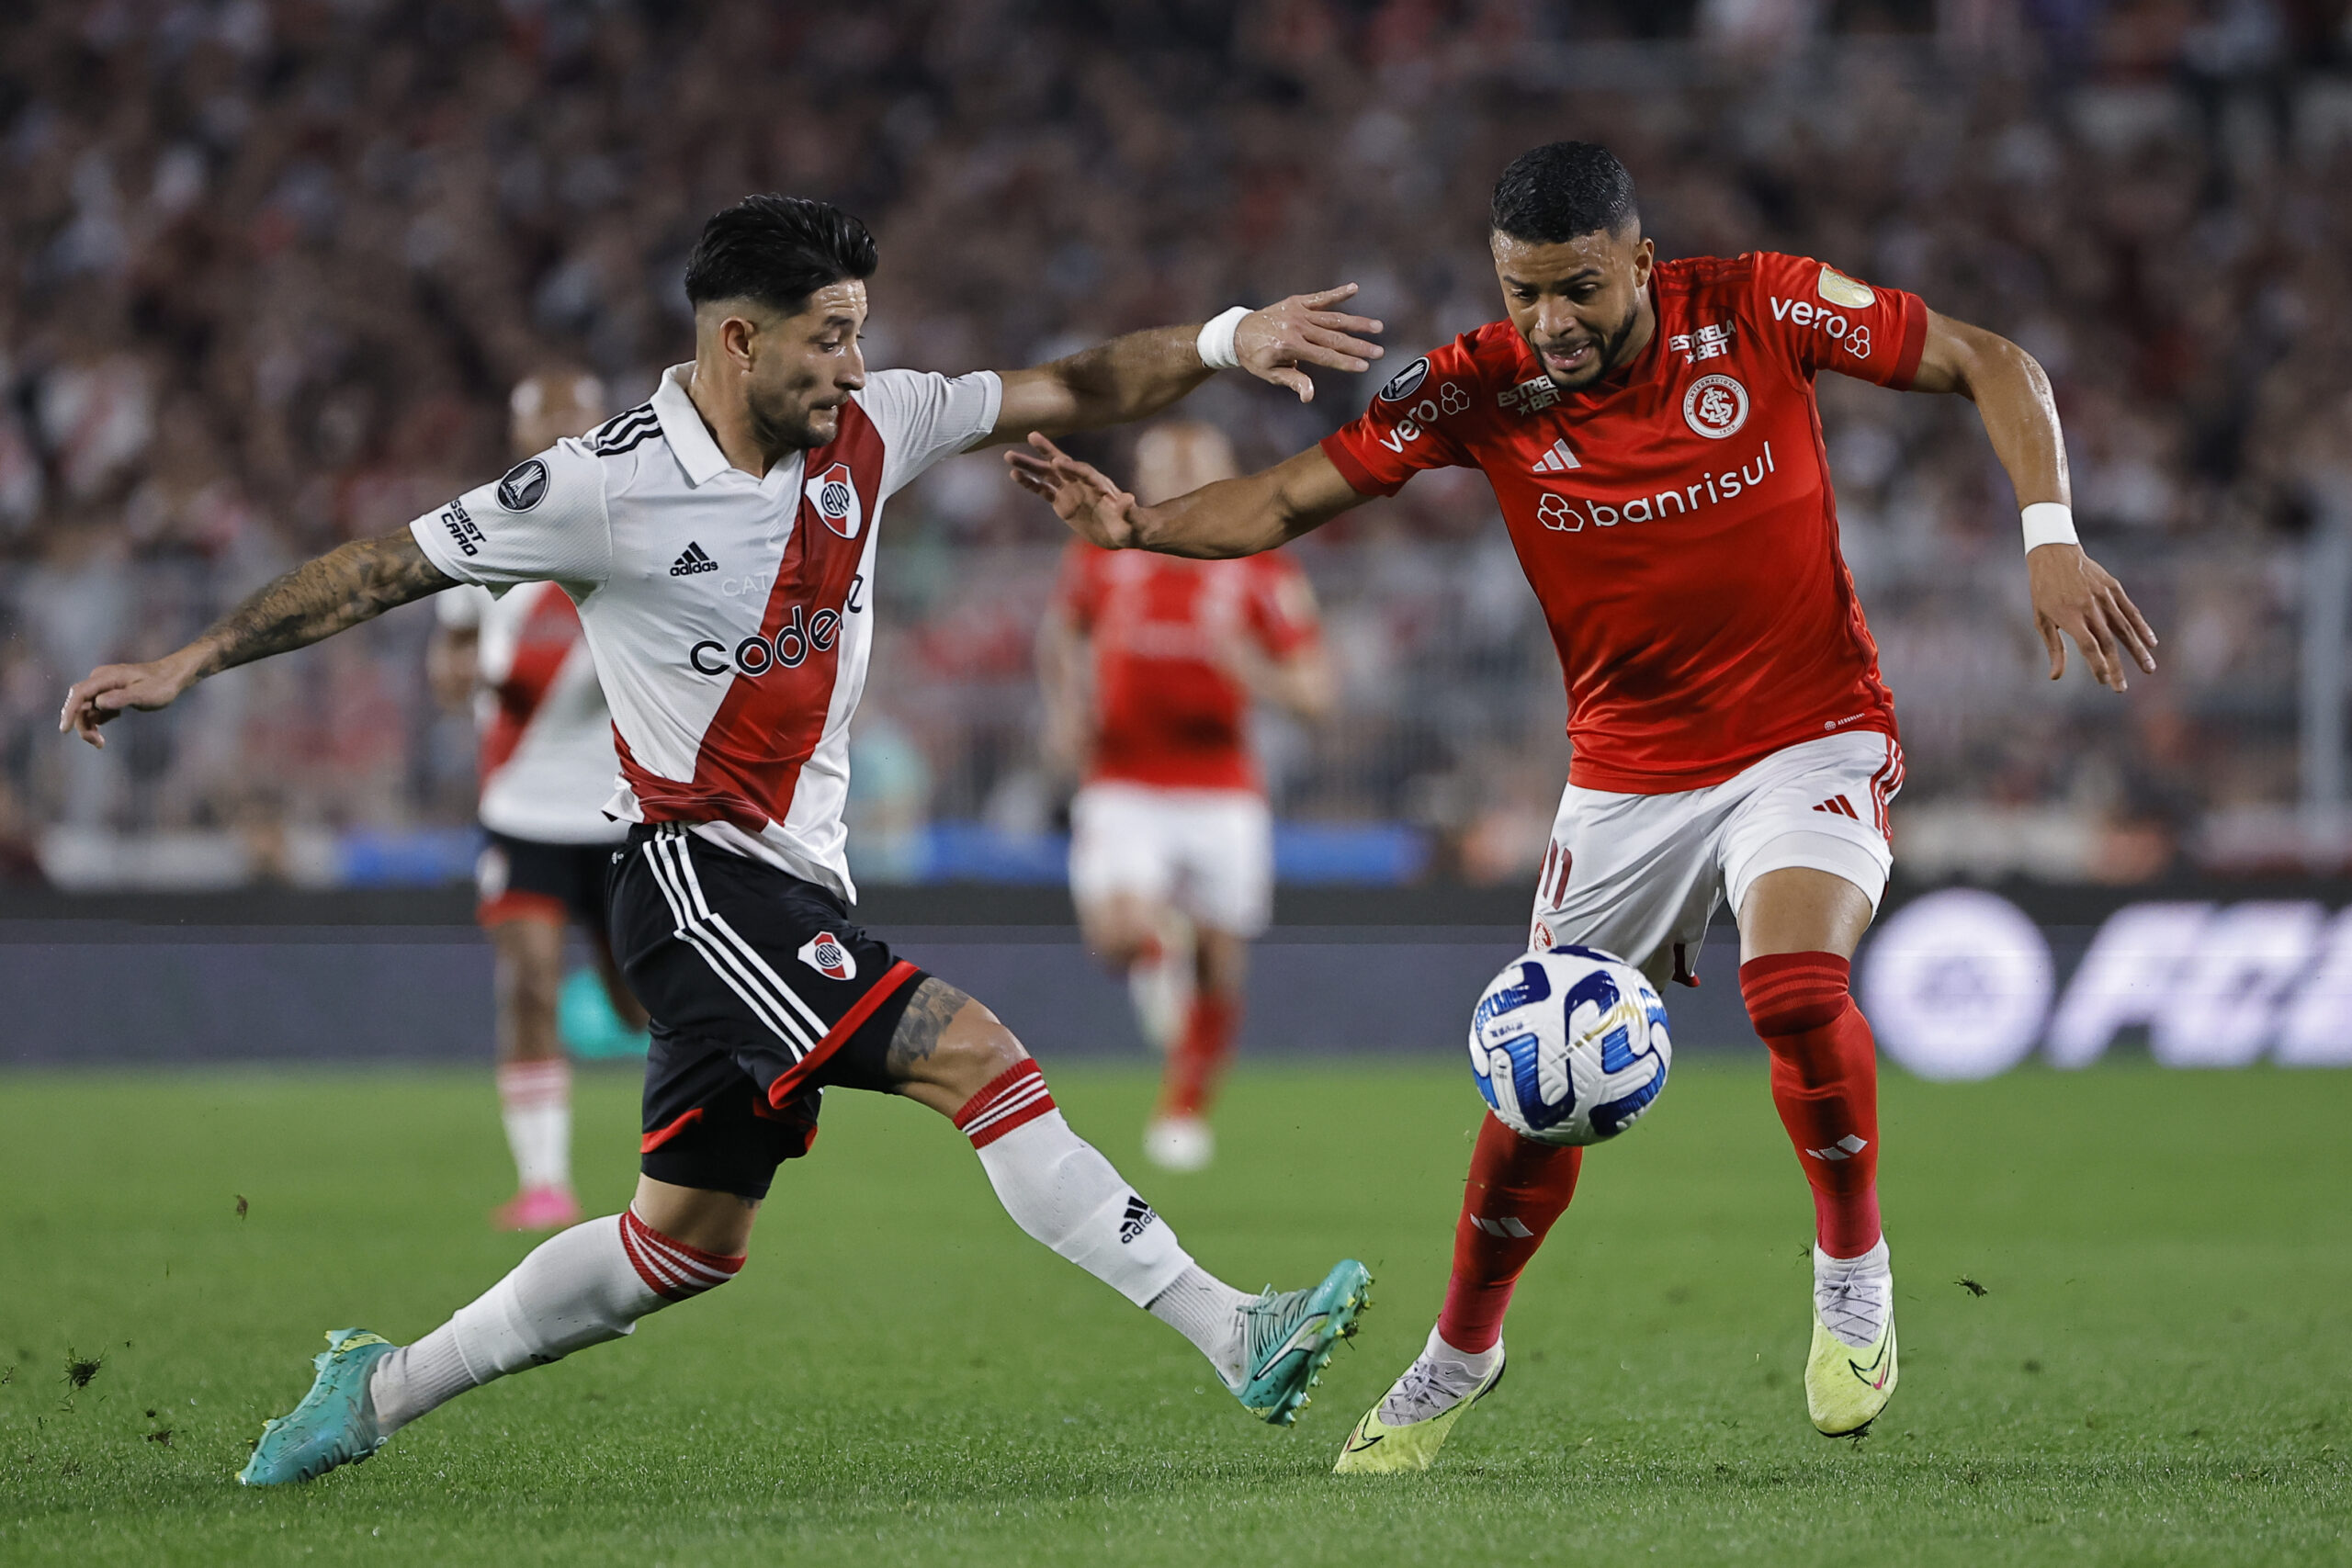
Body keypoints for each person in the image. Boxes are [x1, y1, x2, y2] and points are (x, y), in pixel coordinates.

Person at [61, 195, 1393, 1484]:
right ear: (738, 338)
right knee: (974, 1054)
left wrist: (1227, 340)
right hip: (694, 872)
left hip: (792, 874)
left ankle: (378, 1385)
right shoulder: (600, 486)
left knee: (679, 1242)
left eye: (862, 329)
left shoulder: (879, 423)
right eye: (830, 334)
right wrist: (192, 658)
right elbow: (382, 565)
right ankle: (1233, 1326)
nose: (857, 363)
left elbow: (1076, 385)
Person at [1009, 142, 2159, 1465]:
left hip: (1808, 732)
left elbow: (1992, 359)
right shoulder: (1472, 388)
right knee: (1535, 1084)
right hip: (1623, 775)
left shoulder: (1764, 306)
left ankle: (1853, 1274)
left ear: (1643, 263)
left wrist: (2050, 535)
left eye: (1578, 289)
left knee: (1792, 986)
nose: (1548, 322)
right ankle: (1461, 1351)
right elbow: (1283, 495)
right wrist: (1142, 527)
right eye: (1521, 292)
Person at [1037, 420, 1333, 1172]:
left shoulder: (1263, 570)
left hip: (1221, 789)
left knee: (1221, 963)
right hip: (1123, 779)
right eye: (1161, 463)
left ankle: (1183, 1111)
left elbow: (1315, 694)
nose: (1175, 475)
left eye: (1193, 463)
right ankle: (1158, 947)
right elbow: (1060, 634)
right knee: (1115, 936)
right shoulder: (1101, 556)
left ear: (1224, 475)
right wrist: (1067, 709)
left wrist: (1252, 670)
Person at [427, 369, 648, 1233]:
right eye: (542, 420)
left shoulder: (634, 533)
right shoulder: (481, 535)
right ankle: (546, 1181)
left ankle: (691, 1150)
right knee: (527, 982)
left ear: (599, 427)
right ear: (519, 433)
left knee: (640, 998)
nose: (559, 433)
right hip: (522, 806)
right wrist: (464, 675)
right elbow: (447, 653)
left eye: (573, 419)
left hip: (625, 807)